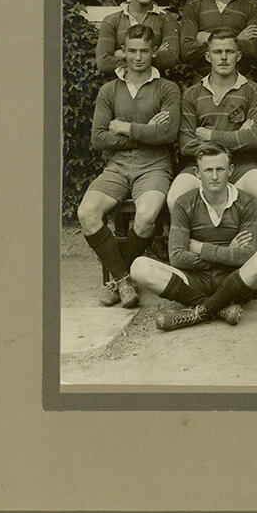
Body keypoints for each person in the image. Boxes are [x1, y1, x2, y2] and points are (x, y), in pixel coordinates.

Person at [77, 23, 180, 308]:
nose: (137, 57)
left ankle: (118, 279)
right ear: (123, 52)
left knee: (146, 215)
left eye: (144, 51)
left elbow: (168, 135)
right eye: (132, 51)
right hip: (118, 167)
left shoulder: (167, 88)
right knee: (87, 212)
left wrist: (124, 128)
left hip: (154, 166)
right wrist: (145, 132)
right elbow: (99, 139)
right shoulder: (109, 90)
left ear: (154, 52)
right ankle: (123, 279)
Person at [131, 143, 257, 331]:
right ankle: (219, 308)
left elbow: (246, 255)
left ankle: (197, 313)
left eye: (220, 169)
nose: (214, 176)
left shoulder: (246, 201)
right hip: (194, 280)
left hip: (231, 279)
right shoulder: (184, 203)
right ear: (197, 173)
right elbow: (177, 257)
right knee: (139, 267)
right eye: (208, 170)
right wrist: (227, 253)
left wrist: (201, 248)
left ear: (230, 170)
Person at [167, 28, 257, 261]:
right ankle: (196, 259)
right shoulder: (193, 93)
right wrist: (236, 136)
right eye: (217, 52)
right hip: (202, 167)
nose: (223, 57)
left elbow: (255, 139)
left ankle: (248, 261)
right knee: (175, 197)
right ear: (207, 56)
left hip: (243, 165)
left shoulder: (253, 91)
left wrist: (211, 135)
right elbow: (186, 144)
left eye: (229, 52)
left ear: (239, 55)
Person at [95, 0, 178, 75]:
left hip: (155, 88)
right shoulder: (111, 20)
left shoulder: (167, 20)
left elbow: (170, 58)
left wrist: (123, 54)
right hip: (120, 88)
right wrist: (153, 54)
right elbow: (103, 63)